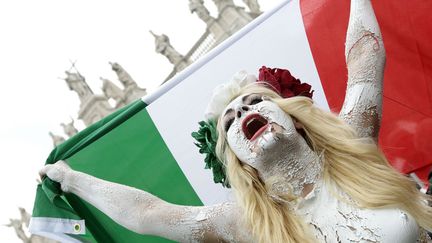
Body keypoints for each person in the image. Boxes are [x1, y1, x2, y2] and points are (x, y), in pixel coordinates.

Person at [40, 0, 432, 242]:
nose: (243, 112)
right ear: (239, 161)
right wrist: (74, 180)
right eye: (230, 119)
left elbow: (365, 57)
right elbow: (148, 215)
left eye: (254, 101)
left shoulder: (354, 145)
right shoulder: (248, 224)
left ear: (294, 118)